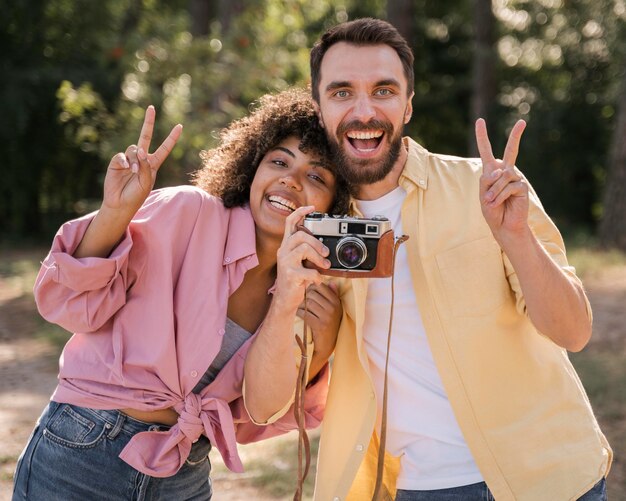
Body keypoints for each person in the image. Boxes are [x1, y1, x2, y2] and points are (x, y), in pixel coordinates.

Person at [244, 18, 612, 501]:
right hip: (421, 489)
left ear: (408, 105)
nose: (363, 110)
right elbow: (264, 406)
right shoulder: (314, 232)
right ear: (319, 107)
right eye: (341, 93)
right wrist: (289, 295)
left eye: (383, 90)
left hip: (548, 476)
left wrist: (518, 238)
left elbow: (573, 331)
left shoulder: (487, 187)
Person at [12, 87, 350, 501]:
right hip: (86, 448)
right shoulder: (188, 212)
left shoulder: (308, 291)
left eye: (316, 176)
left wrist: (317, 342)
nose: (291, 180)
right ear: (252, 169)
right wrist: (115, 213)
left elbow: (257, 415)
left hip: (183, 470)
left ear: (335, 205)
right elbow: (66, 305)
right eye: (279, 160)